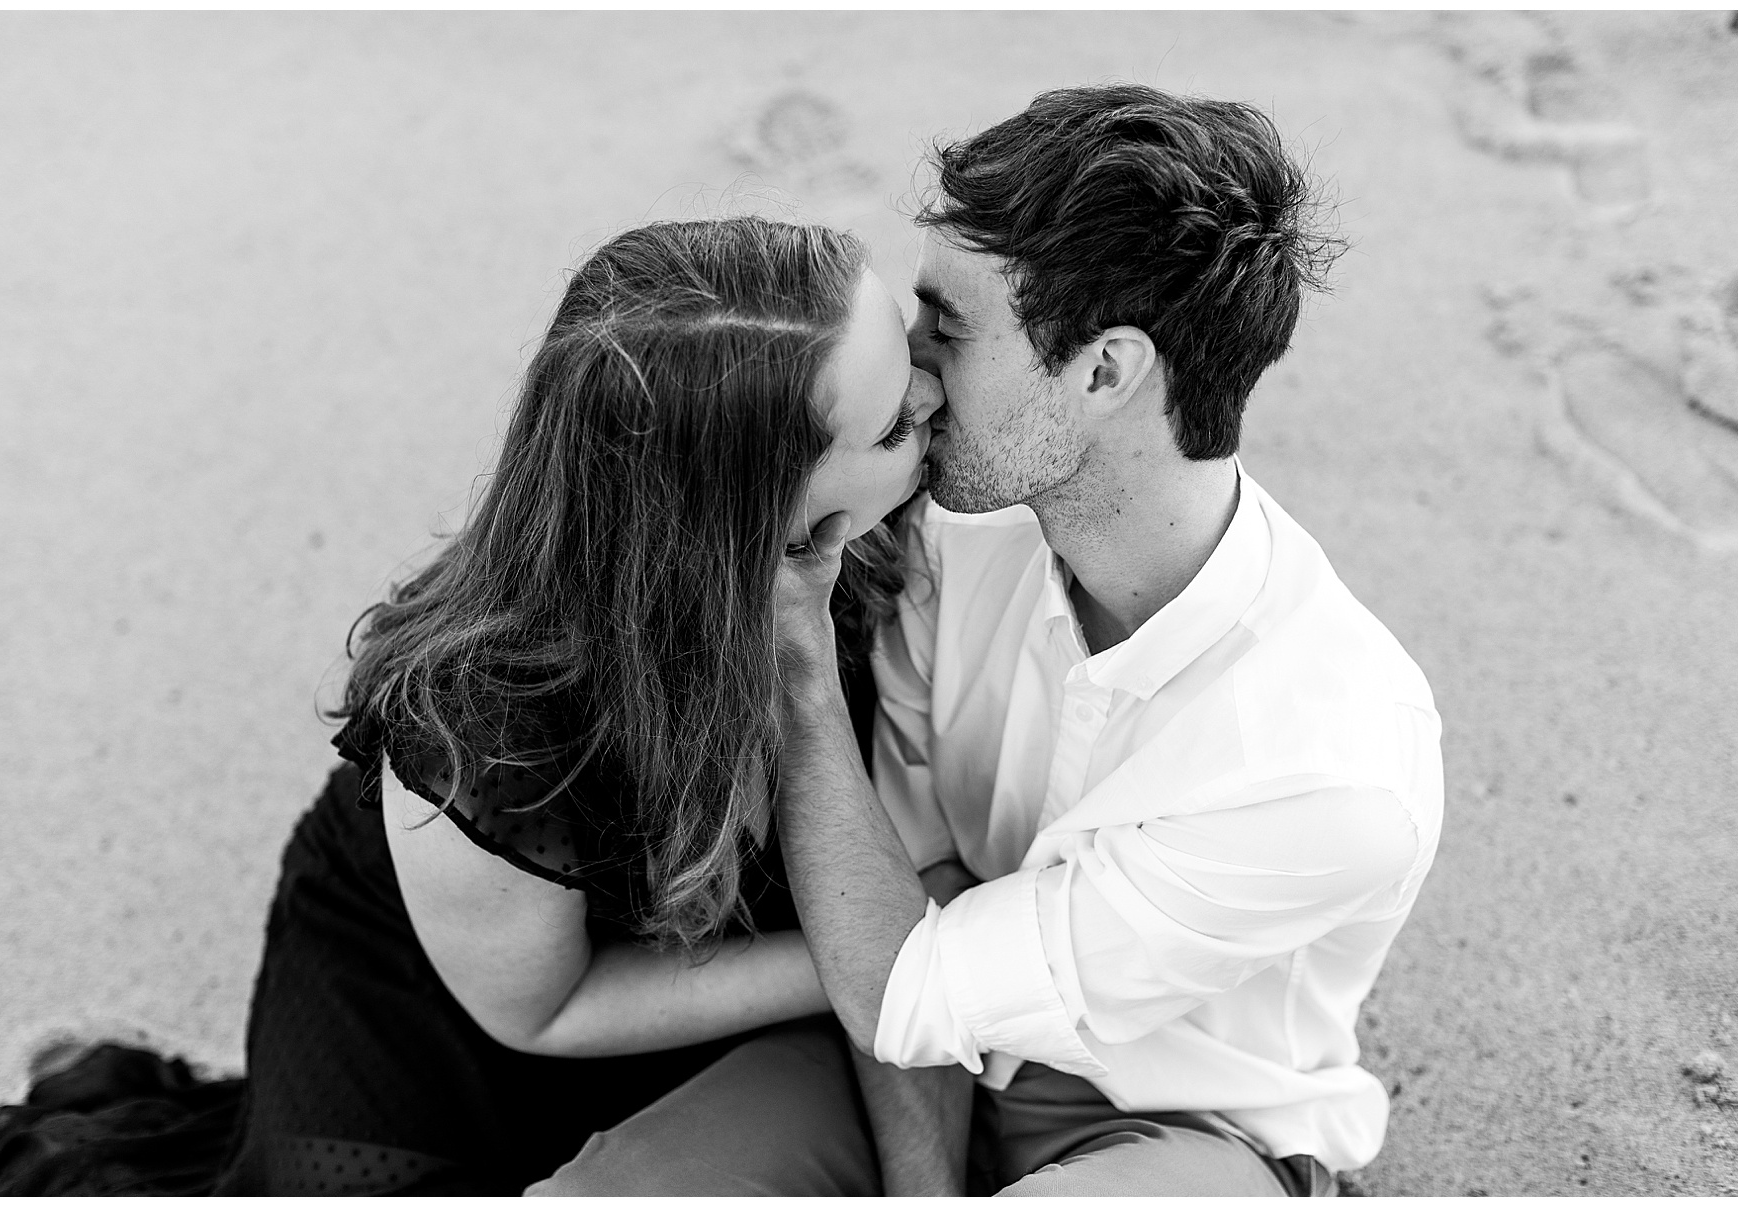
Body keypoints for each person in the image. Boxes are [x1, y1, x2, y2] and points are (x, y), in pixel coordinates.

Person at [535, 84, 1444, 1196]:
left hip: (1175, 1121)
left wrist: (800, 661)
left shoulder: (1324, 769)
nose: (911, 373)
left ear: (1104, 372)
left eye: (949, 328)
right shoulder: (955, 540)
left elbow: (904, 979)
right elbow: (902, 898)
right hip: (897, 1046)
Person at [0, 216, 946, 1197]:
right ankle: (99, 1098)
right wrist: (880, 963)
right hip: (457, 995)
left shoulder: (882, 536)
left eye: (908, 360)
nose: (935, 398)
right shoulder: (482, 717)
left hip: (713, 947)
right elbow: (542, 1010)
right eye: (893, 426)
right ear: (752, 514)